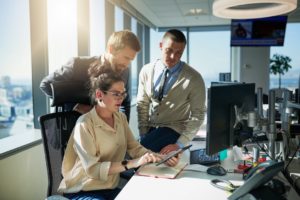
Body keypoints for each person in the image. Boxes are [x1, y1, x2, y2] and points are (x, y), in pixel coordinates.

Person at [58, 64, 179, 200]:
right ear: (99, 94)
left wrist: (162, 158)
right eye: (116, 94)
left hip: (109, 188)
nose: (121, 98)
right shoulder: (84, 124)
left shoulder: (120, 118)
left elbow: (135, 148)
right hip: (83, 190)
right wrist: (133, 163)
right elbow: (93, 169)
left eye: (123, 93)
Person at [40, 30, 140, 120]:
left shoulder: (125, 71)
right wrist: (76, 105)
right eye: (126, 58)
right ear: (111, 49)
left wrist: (122, 130)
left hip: (106, 132)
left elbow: (125, 103)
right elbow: (45, 85)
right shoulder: (77, 65)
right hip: (74, 130)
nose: (127, 64)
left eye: (131, 60)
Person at [137, 29, 206, 153]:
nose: (173, 57)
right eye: (169, 51)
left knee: (138, 155)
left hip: (175, 129)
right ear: (160, 46)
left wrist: (179, 144)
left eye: (179, 53)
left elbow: (198, 115)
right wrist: (143, 134)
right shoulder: (146, 71)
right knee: (138, 153)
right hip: (151, 129)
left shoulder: (194, 78)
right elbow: (142, 104)